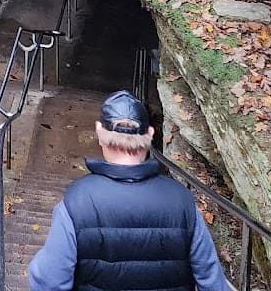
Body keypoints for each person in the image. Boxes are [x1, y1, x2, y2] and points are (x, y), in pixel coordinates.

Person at [27, 91, 230, 291]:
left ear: (99, 133)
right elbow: (213, 283)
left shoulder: (76, 201)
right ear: (150, 134)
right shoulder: (183, 201)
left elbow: (49, 281)